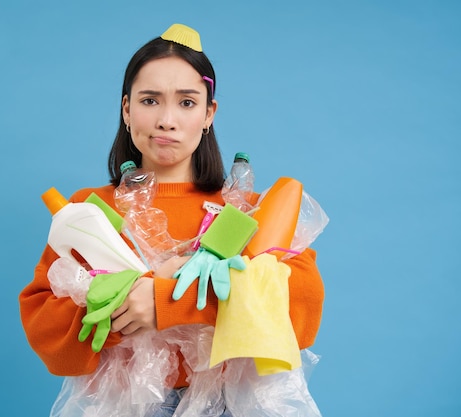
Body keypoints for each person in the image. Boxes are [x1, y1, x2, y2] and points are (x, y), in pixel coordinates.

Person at [20, 23, 325, 416]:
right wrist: (124, 313)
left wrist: (166, 303)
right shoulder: (91, 210)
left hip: (231, 405)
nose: (167, 119)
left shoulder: (247, 212)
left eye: (186, 102)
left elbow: (300, 309)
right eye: (150, 101)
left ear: (208, 113)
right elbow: (45, 327)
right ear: (126, 109)